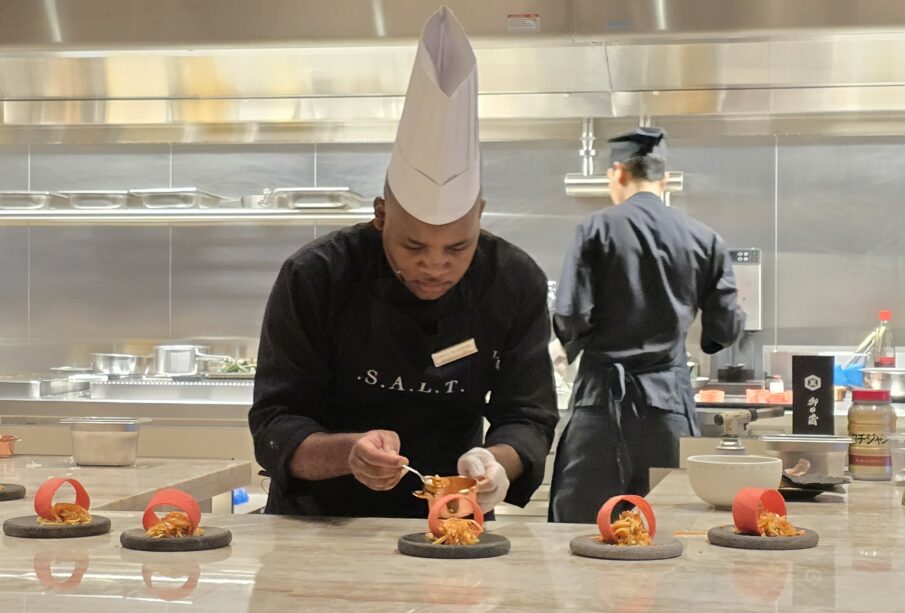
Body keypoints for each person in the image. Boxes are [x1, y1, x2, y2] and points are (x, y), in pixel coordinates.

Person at [249, 7, 558, 518]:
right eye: (413, 246)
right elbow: (277, 423)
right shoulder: (317, 275)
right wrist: (349, 454)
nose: (435, 265)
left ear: (479, 218)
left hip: (454, 520)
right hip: (318, 521)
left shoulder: (513, 280)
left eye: (458, 247)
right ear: (381, 215)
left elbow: (526, 416)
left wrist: (498, 463)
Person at [548, 127, 745, 523]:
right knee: (668, 529)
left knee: (582, 529)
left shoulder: (594, 230)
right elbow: (722, 332)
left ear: (617, 173)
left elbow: (570, 317)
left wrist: (566, 349)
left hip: (601, 404)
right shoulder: (706, 240)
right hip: (669, 408)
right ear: (665, 180)